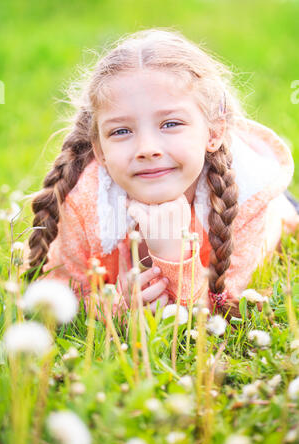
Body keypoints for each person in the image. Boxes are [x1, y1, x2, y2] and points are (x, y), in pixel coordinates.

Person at [27, 29, 299, 317]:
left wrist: (173, 257)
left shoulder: (246, 198)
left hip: (278, 214)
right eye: (121, 131)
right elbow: (61, 294)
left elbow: (222, 310)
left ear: (214, 132)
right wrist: (117, 306)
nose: (147, 148)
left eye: (170, 124)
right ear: (100, 149)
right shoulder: (87, 202)